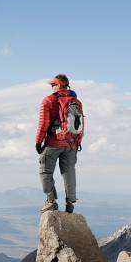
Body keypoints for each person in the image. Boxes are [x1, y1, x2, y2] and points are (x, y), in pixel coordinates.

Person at [34, 74, 84, 213]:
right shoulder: (76, 102)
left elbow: (43, 123)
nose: (51, 87)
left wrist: (38, 141)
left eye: (52, 85)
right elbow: (80, 125)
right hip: (71, 144)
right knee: (69, 172)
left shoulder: (48, 101)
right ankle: (70, 203)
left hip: (53, 143)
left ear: (58, 85)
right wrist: (77, 142)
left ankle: (51, 201)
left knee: (45, 171)